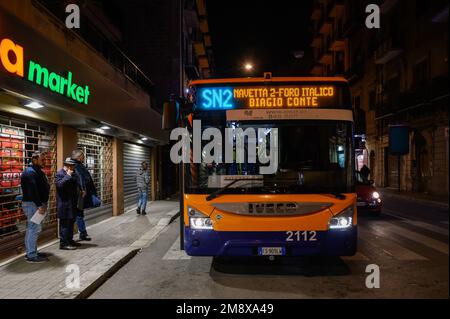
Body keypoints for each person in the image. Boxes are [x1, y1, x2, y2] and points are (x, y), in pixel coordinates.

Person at [20, 151, 50, 263]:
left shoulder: (36, 171)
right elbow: (32, 191)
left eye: (45, 159)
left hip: (36, 204)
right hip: (32, 204)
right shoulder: (29, 172)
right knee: (34, 229)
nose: (45, 162)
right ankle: (31, 255)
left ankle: (32, 252)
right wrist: (39, 205)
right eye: (42, 160)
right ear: (34, 159)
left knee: (33, 228)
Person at [71, 149, 97, 241]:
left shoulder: (79, 165)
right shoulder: (74, 166)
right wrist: (83, 190)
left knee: (79, 214)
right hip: (78, 195)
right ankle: (73, 237)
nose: (84, 158)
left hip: (81, 194)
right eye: (83, 156)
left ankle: (82, 233)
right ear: (78, 157)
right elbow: (79, 180)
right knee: (77, 214)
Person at [56, 158, 81, 250]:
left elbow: (76, 184)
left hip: (72, 204)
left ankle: (69, 240)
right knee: (64, 225)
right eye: (73, 165)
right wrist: (68, 175)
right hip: (64, 204)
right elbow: (59, 185)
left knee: (71, 223)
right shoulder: (60, 173)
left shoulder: (74, 173)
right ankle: (63, 243)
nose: (74, 167)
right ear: (68, 165)